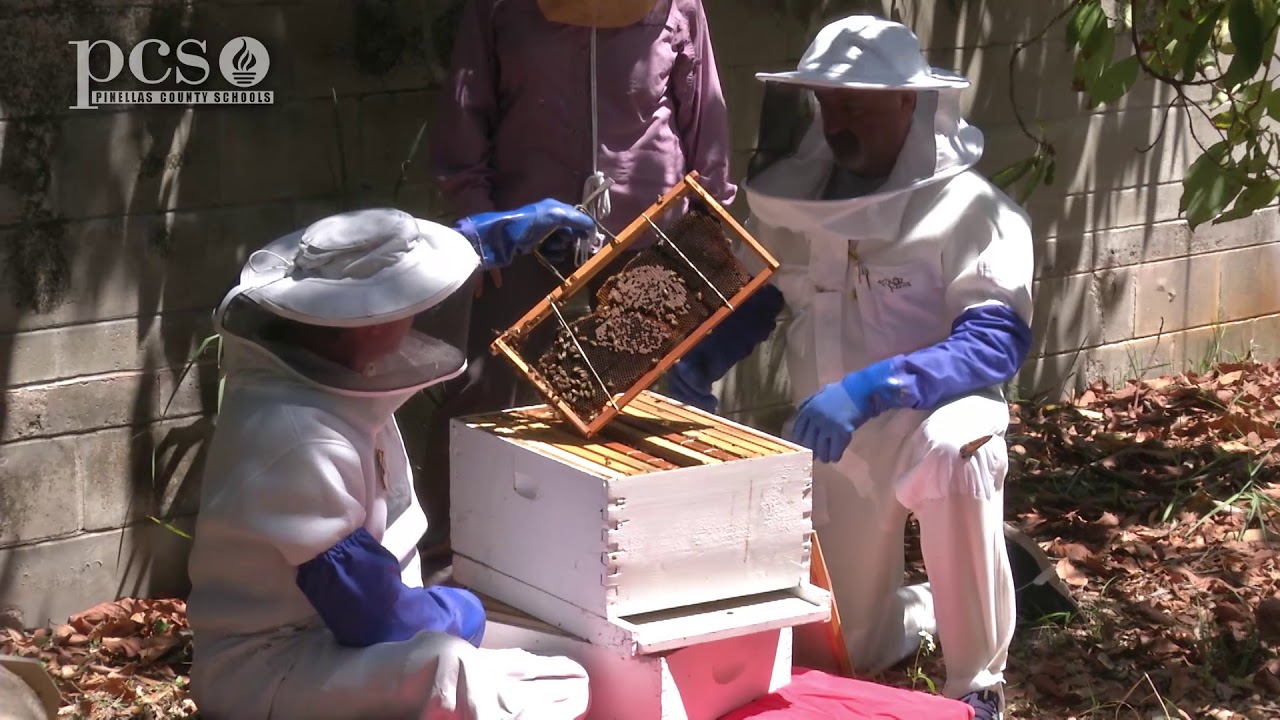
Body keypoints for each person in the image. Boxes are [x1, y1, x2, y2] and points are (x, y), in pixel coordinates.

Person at [666, 16, 1034, 720]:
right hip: (831, 435)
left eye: (857, 104)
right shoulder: (795, 201)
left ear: (909, 102)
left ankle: (977, 684)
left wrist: (873, 387)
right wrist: (700, 361)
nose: (837, 120)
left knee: (961, 455)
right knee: (847, 653)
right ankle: (948, 595)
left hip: (930, 417)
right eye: (827, 103)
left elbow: (995, 342)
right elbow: (762, 296)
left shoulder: (973, 211)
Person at [184, 200, 597, 720]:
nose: (417, 317)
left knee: (529, 671)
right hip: (268, 669)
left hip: (326, 640)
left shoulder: (329, 382)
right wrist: (459, 611)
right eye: (408, 307)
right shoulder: (300, 439)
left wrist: (472, 242)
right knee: (446, 667)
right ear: (370, 323)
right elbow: (371, 616)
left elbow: (369, 266)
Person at [422, 0, 736, 558]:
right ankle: (453, 557)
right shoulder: (498, 9)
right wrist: (478, 228)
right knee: (486, 394)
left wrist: (710, 227)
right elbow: (466, 115)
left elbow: (702, 120)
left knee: (636, 402)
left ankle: (618, 559)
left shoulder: (681, 8)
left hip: (646, 236)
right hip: (525, 238)